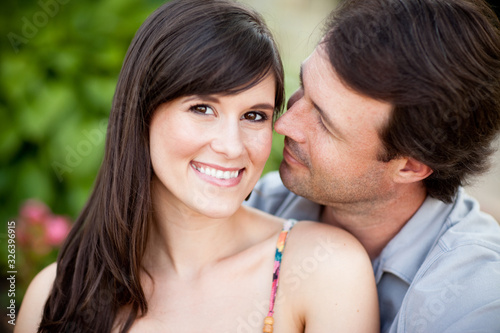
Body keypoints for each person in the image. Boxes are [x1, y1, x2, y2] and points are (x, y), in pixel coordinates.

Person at [15, 1, 379, 332]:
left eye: (254, 116)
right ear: (143, 113)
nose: (231, 146)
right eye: (202, 109)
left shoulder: (323, 268)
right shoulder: (54, 295)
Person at [245, 0, 500, 332]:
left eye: (324, 122)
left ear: (410, 166)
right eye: (304, 86)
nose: (284, 125)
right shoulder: (262, 204)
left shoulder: (474, 300)